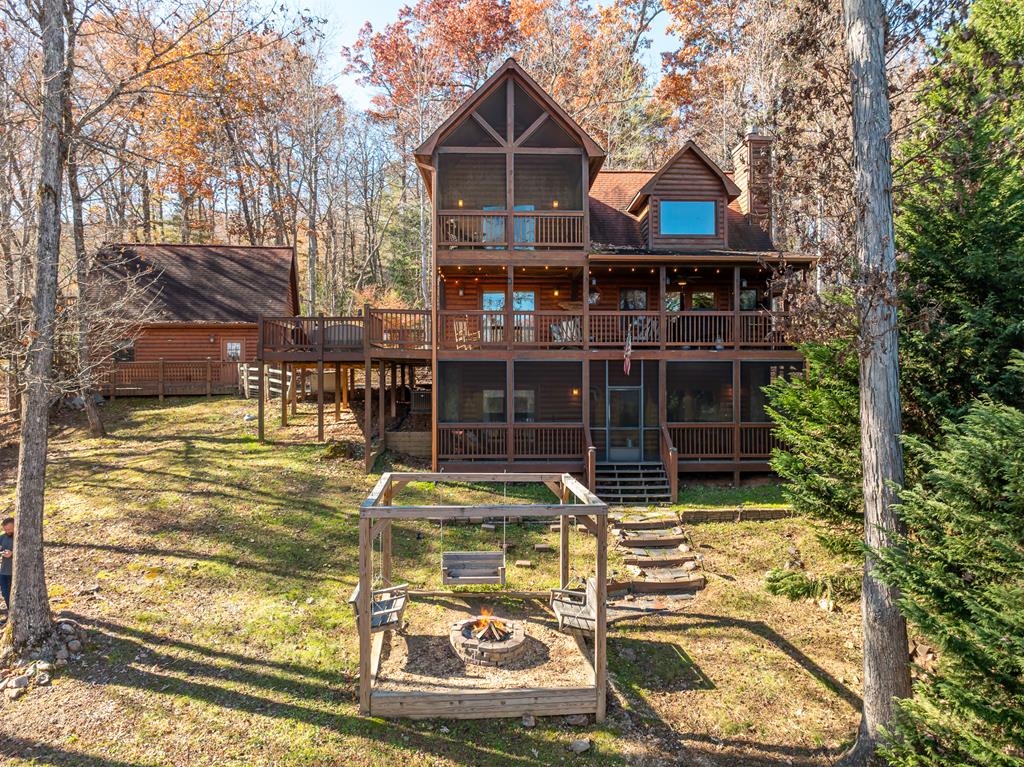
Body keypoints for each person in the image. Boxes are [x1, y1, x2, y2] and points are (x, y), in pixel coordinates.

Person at [0, 516, 12, 612]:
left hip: (15, 572)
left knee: (15, 594)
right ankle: (10, 612)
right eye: (5, 529)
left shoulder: (22, 538)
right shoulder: (3, 537)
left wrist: (12, 554)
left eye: (9, 529)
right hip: (4, 571)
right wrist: (1, 552)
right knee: (5, 593)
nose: (7, 531)